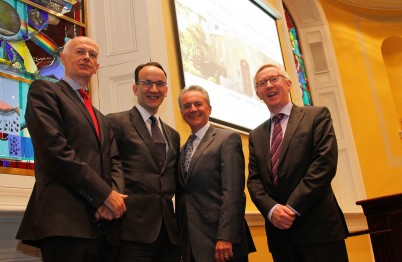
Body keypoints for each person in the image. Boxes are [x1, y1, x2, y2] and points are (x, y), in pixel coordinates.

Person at [16, 36, 127, 262]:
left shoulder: (101, 118)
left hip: (106, 227)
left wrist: (113, 199)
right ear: (64, 59)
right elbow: (55, 152)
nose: (86, 57)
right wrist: (103, 195)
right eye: (80, 52)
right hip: (65, 222)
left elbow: (115, 162)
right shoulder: (45, 91)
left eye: (92, 55)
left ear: (97, 67)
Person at [247, 64, 349, 262]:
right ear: (258, 93)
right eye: (262, 83)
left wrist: (291, 208)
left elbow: (324, 164)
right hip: (281, 237)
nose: (268, 86)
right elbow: (254, 181)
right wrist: (273, 210)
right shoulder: (256, 135)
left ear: (288, 83)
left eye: (274, 79)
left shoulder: (316, 116)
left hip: (319, 230)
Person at [107, 62, 180, 261]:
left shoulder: (172, 135)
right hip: (131, 232)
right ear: (135, 88)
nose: (154, 89)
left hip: (169, 235)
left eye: (160, 84)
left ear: (166, 90)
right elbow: (108, 168)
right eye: (147, 83)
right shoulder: (116, 122)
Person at [177, 85, 256, 262]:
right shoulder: (182, 150)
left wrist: (225, 237)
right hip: (192, 245)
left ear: (209, 109)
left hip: (222, 244)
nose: (193, 109)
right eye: (187, 106)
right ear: (182, 112)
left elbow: (233, 193)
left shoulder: (227, 139)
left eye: (198, 104)